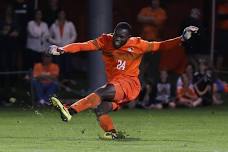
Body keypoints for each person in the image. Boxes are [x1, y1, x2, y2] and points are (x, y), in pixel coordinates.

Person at [48, 22, 198, 139]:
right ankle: (112, 133)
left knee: (101, 92)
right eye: (116, 36)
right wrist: (63, 49)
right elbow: (84, 46)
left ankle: (70, 110)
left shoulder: (138, 44)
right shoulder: (105, 40)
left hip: (129, 84)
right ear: (113, 33)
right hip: (117, 86)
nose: (118, 40)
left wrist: (182, 38)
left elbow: (161, 45)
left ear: (128, 38)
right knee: (100, 109)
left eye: (122, 38)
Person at [48, 10, 77, 77]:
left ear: (65, 15)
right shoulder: (54, 25)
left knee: (67, 64)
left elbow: (74, 35)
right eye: (60, 14)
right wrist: (56, 42)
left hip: (67, 47)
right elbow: (49, 37)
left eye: (63, 14)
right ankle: (59, 79)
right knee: (58, 64)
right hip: (57, 48)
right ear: (58, 15)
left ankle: (67, 79)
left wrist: (69, 43)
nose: (61, 15)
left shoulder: (70, 24)